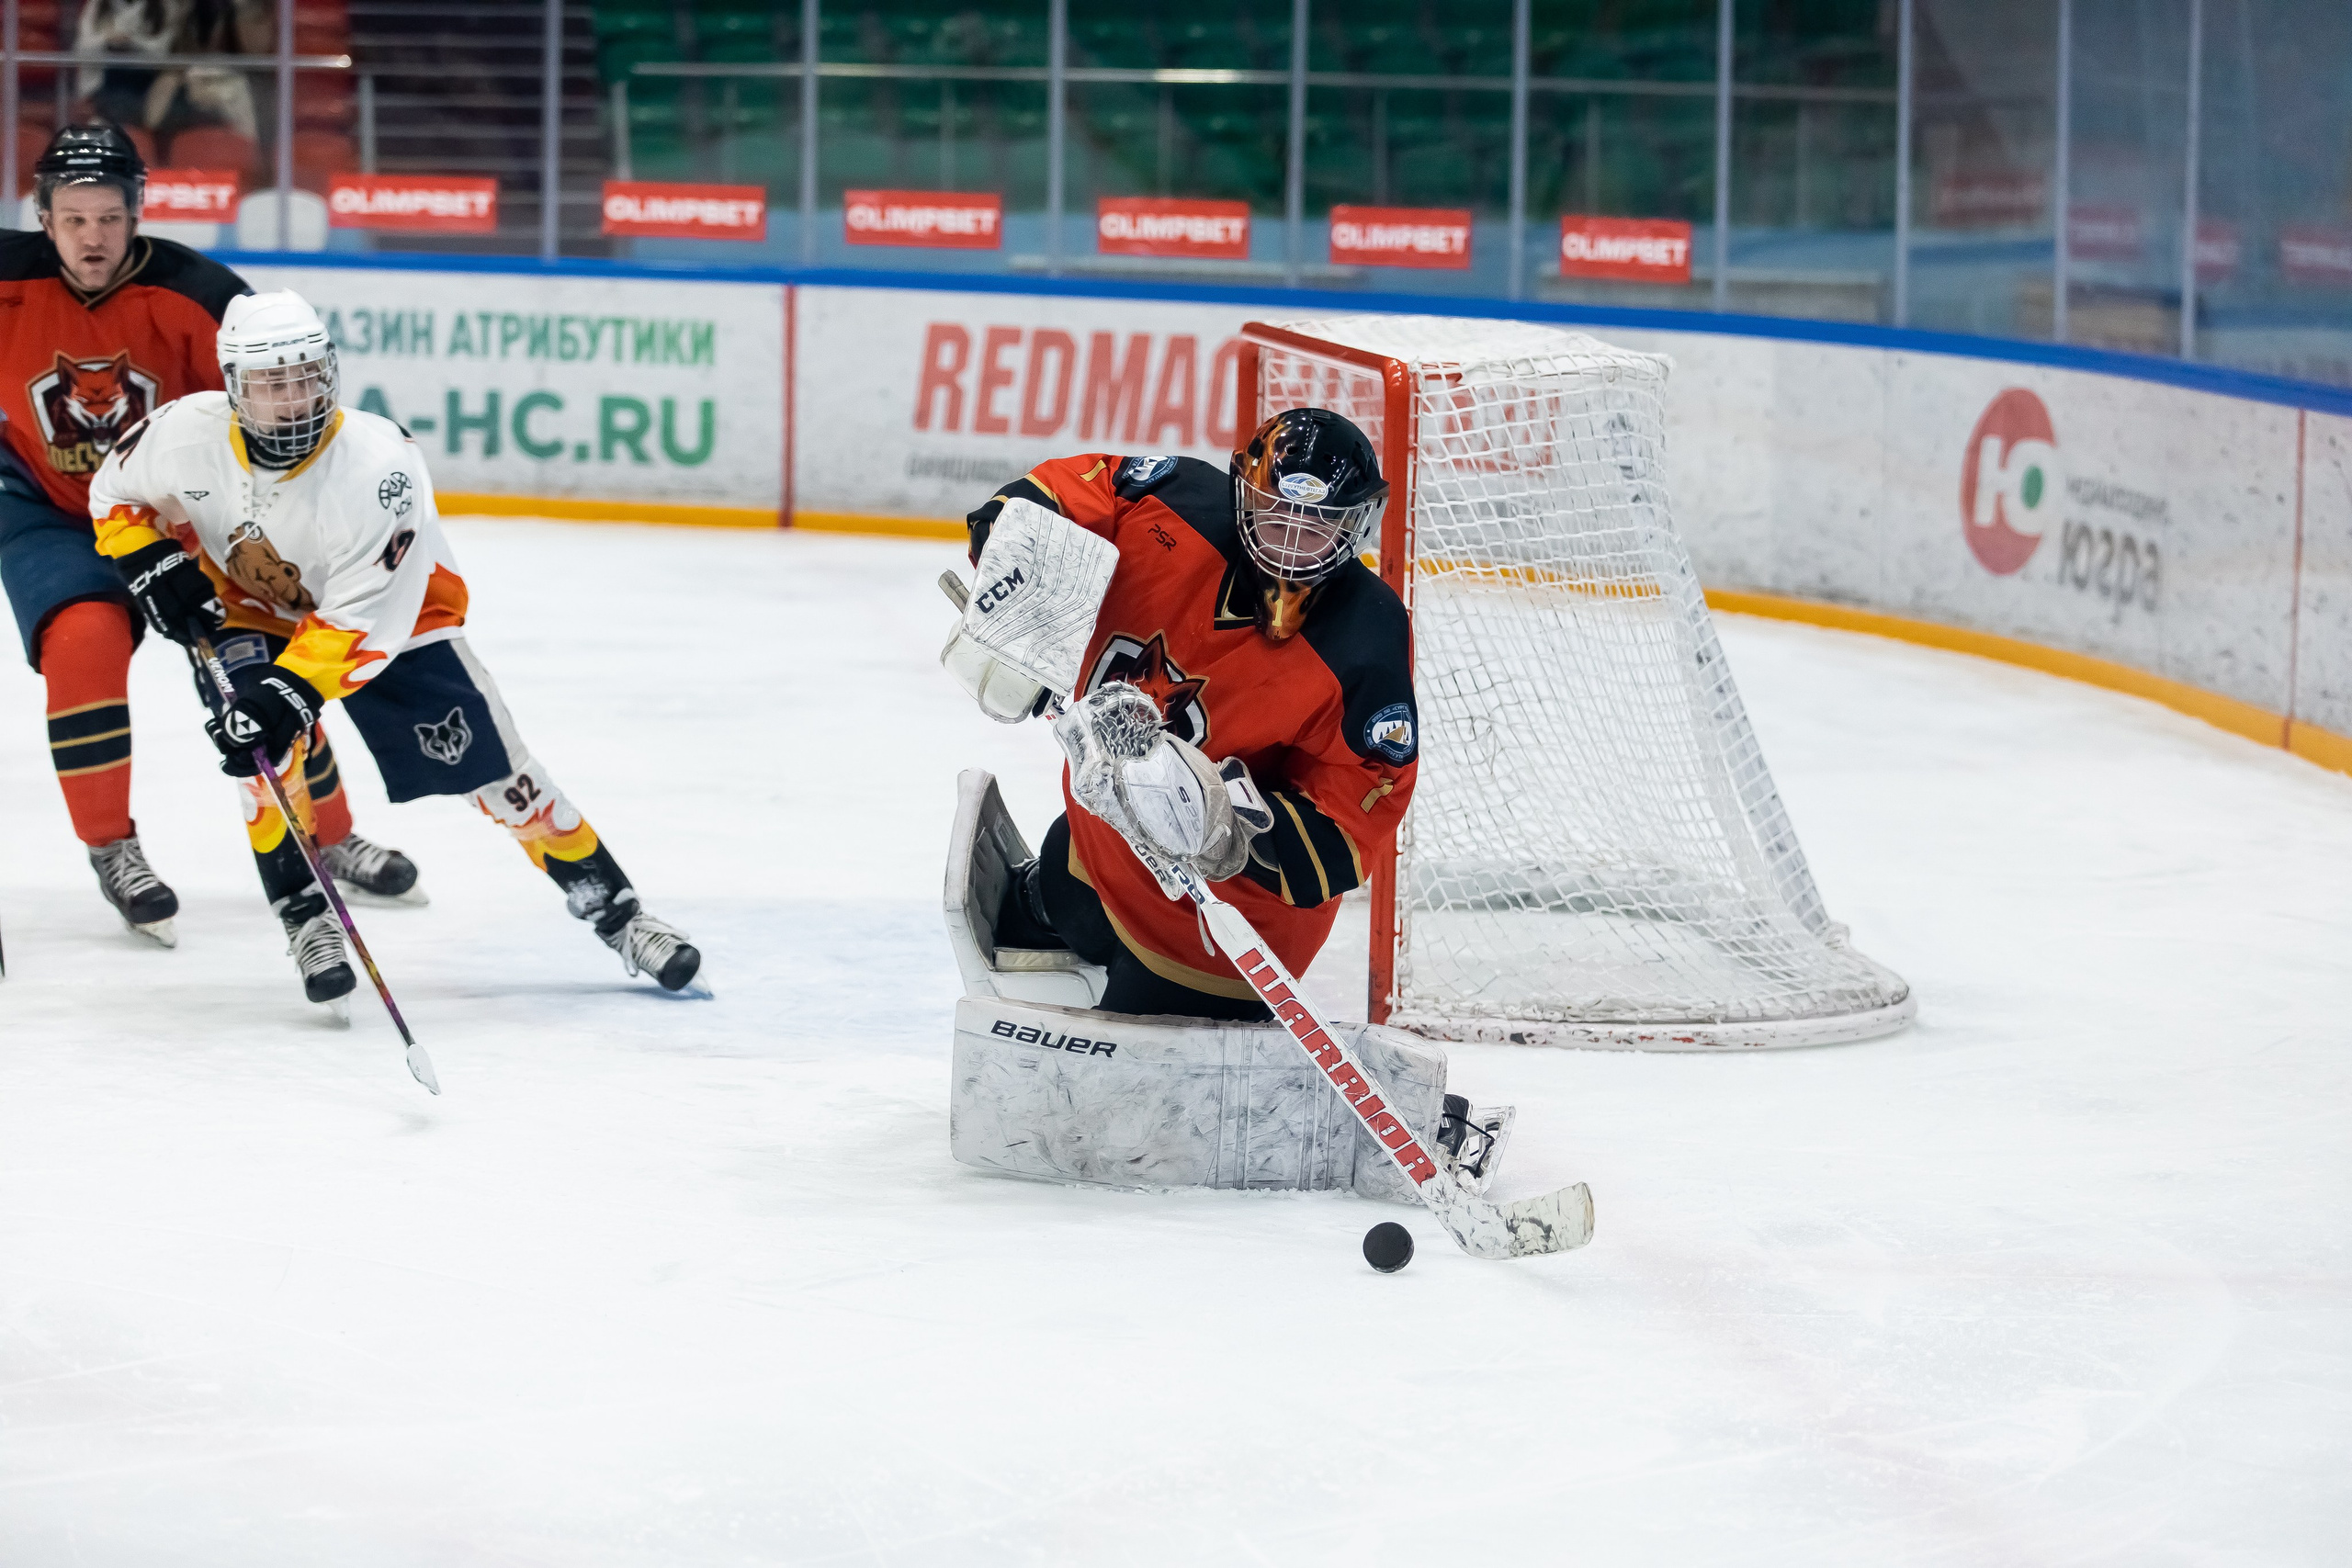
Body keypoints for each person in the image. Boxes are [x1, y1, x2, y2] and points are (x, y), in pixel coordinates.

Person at [85, 288, 701, 1006]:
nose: (293, 400)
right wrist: (151, 562)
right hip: (252, 612)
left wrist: (289, 692)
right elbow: (114, 494)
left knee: (500, 776)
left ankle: (621, 914)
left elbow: (358, 617)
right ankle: (306, 919)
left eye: (306, 378)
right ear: (232, 387)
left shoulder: (379, 466)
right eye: (270, 384)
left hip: (396, 623)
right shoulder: (183, 432)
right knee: (265, 761)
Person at [0, 122, 415, 948]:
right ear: (44, 219)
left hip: (189, 521)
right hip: (47, 507)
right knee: (84, 637)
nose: (93, 237)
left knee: (254, 674)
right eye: (75, 219)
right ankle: (112, 849)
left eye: (110, 218)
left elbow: (284, 394)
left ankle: (327, 834)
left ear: (138, 213)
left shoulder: (203, 294)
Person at [950, 409, 1419, 1021]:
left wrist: (1232, 827)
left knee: (1123, 1088)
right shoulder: (1172, 502)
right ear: (1244, 499)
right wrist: (1013, 549)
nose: (1289, 547)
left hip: (1215, 929)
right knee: (1065, 870)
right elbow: (1082, 487)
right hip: (1099, 846)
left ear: (1355, 527)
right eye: (1276, 517)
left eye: (1317, 529)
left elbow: (1357, 817)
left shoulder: (1367, 639)